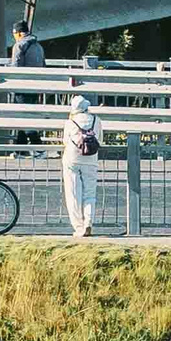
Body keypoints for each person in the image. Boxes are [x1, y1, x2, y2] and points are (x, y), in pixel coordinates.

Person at [63, 89, 103, 237]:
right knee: (90, 193)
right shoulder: (96, 120)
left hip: (72, 159)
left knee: (73, 193)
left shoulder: (70, 122)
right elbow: (100, 139)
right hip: (91, 160)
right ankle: (89, 222)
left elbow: (65, 141)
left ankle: (78, 227)